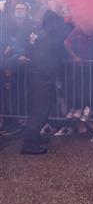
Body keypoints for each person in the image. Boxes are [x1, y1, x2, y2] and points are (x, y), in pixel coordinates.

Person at [20, 10, 70, 155]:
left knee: (42, 108)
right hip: (42, 76)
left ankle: (34, 137)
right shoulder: (48, 36)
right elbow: (56, 51)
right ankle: (28, 145)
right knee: (40, 110)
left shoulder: (39, 34)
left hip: (39, 75)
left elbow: (30, 51)